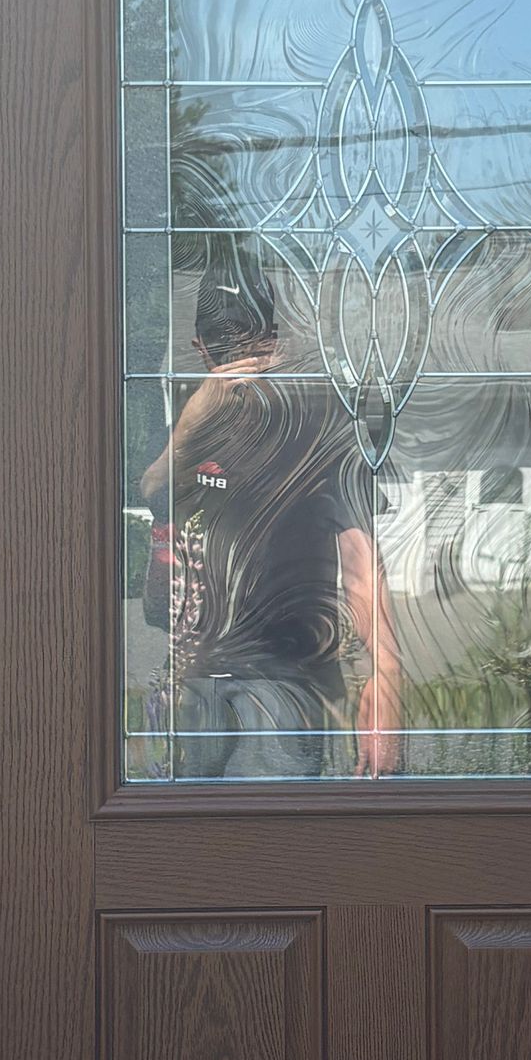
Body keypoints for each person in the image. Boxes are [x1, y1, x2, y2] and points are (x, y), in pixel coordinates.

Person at [141, 241, 403, 779]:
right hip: (191, 683)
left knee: (266, 844)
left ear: (276, 342)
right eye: (224, 349)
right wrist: (198, 414)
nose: (242, 362)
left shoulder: (313, 423)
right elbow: (153, 490)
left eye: (256, 344)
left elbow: (359, 557)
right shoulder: (195, 422)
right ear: (202, 350)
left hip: (283, 682)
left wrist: (387, 674)